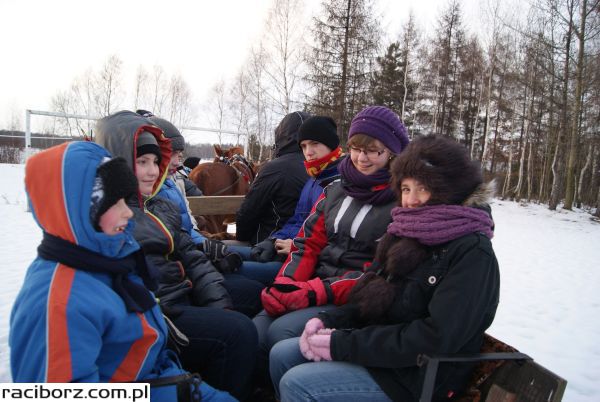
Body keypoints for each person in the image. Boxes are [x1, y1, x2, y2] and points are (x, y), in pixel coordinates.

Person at [270, 135, 500, 402]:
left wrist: (344, 345)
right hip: (381, 352)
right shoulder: (402, 233)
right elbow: (367, 297)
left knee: (299, 384)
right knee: (282, 355)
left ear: (448, 190)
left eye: (423, 189)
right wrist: (330, 321)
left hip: (418, 376)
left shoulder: (472, 252)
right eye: (405, 189)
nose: (411, 200)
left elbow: (436, 337)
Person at [10, 141, 234, 401]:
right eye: (113, 203)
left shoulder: (106, 261)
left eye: (125, 200)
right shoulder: (56, 303)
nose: (128, 212)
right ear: (80, 212)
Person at [94, 110, 262, 399]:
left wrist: (217, 302)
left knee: (253, 295)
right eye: (142, 162)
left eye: (155, 161)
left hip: (184, 292)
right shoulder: (113, 219)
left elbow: (190, 256)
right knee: (238, 332)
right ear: (118, 163)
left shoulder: (159, 206)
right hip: (164, 313)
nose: (153, 171)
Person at [254, 106, 409, 382]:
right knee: (257, 326)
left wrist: (312, 293)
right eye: (356, 148)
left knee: (280, 332)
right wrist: (287, 284)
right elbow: (307, 245)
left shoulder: (401, 204)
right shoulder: (336, 189)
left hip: (352, 299)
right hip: (313, 284)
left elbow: (380, 272)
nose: (362, 158)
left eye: (373, 151)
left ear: (392, 153)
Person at [237, 115, 343, 285]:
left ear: (330, 144)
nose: (308, 152)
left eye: (315, 143)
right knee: (224, 256)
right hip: (292, 252)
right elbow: (298, 221)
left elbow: (336, 240)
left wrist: (296, 245)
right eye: (304, 146)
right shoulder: (314, 178)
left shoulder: (340, 182)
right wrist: (273, 240)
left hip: (310, 266)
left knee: (233, 270)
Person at [139, 110, 242, 274]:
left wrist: (204, 243)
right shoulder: (155, 192)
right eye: (171, 154)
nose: (176, 162)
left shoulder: (172, 184)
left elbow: (184, 233)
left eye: (179, 155)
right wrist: (203, 248)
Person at [235, 111, 310, 245]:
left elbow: (248, 212)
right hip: (305, 244)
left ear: (281, 135)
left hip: (270, 244)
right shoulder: (319, 166)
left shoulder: (275, 168)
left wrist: (244, 238)